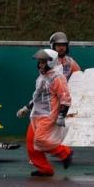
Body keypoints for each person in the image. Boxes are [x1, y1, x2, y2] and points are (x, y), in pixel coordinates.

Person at [16, 49, 74, 177]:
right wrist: (26, 108)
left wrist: (61, 116)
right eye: (39, 62)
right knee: (31, 143)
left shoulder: (57, 77)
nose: (40, 65)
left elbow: (66, 98)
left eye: (43, 62)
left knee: (41, 140)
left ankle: (65, 153)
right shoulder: (42, 77)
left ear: (51, 62)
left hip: (49, 115)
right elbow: (38, 97)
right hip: (36, 115)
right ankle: (45, 169)